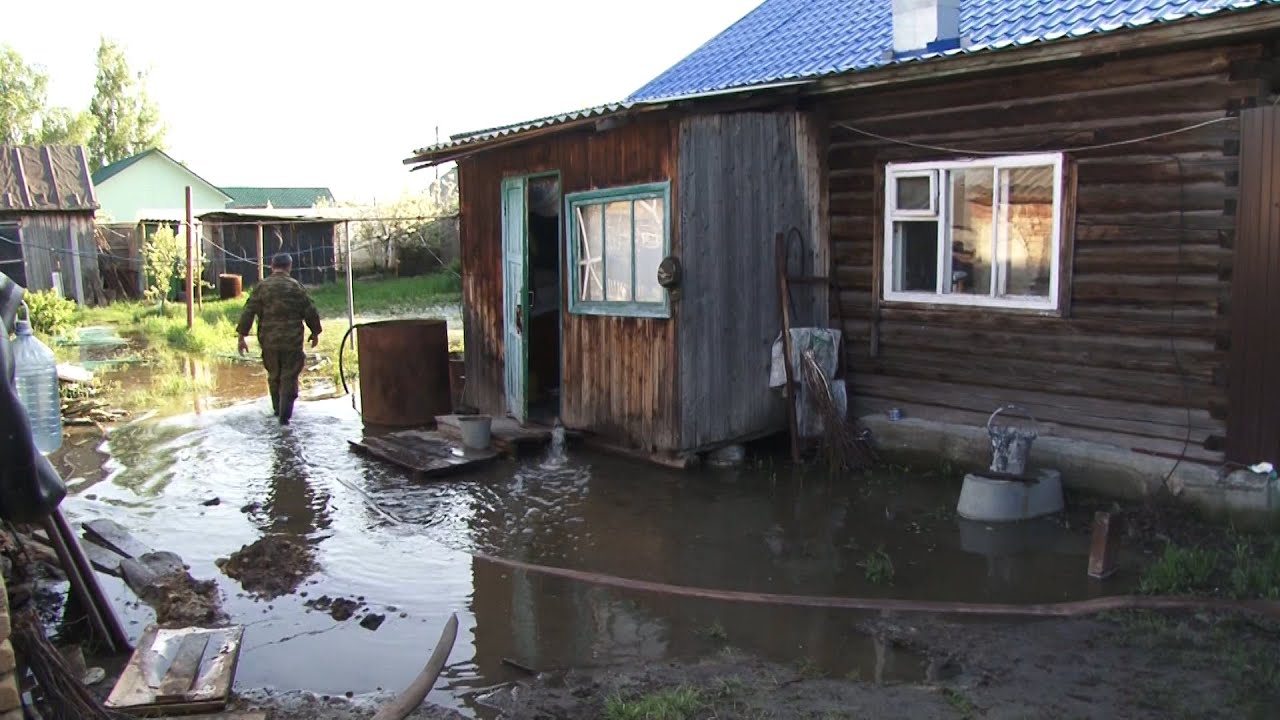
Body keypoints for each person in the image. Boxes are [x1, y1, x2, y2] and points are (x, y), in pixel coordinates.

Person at [236, 253, 321, 424]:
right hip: (292, 341)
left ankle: (277, 412)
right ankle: (284, 419)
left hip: (269, 341)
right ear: (289, 267)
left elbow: (248, 310)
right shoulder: (296, 287)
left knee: (274, 375)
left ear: (272, 266)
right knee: (289, 377)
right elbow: (310, 310)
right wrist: (315, 331)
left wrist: (242, 336)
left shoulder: (262, 287)